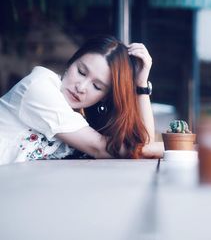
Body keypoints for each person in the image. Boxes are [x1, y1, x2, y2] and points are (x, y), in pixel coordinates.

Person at [0, 35, 164, 165]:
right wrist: (173, 149)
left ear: (105, 97)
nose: (81, 87)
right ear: (70, 63)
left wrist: (141, 85)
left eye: (97, 86)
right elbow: (103, 148)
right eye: (81, 72)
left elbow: (143, 143)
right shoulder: (39, 87)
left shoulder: (78, 116)